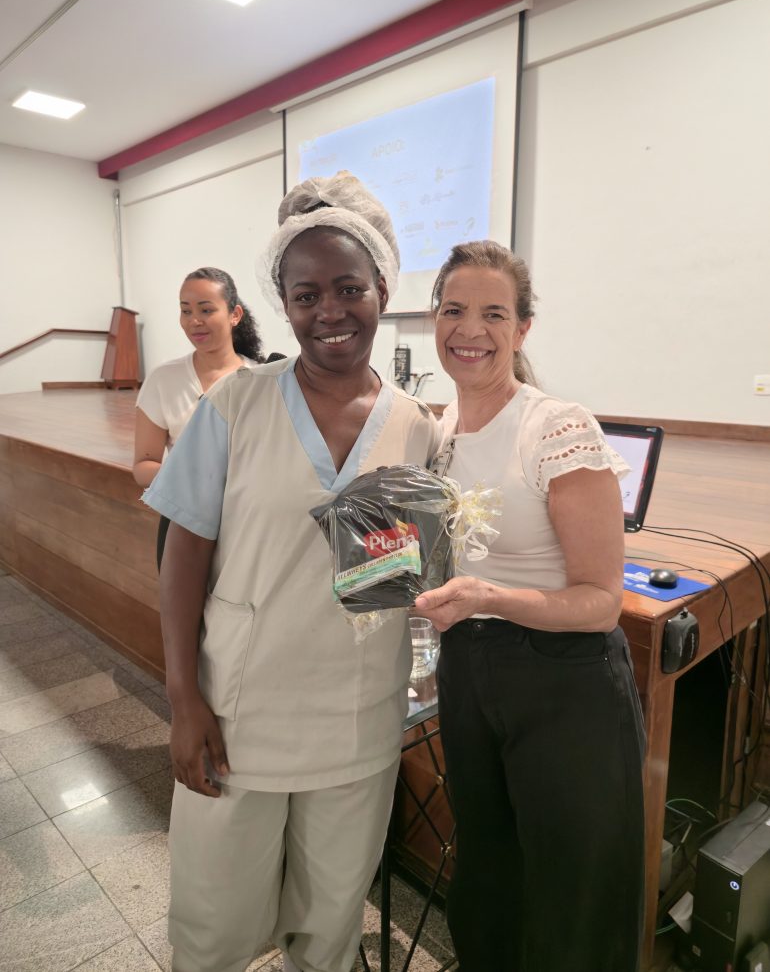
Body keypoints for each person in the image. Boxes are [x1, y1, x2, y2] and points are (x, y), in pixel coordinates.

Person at [142, 172, 440, 972]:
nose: (329, 311)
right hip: (240, 714)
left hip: (358, 717)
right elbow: (182, 554)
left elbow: (397, 572)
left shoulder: (415, 426)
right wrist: (183, 699)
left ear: (383, 291)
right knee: (213, 923)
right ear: (283, 304)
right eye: (306, 295)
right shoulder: (235, 406)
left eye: (349, 288)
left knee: (331, 924)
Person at [413, 241, 645, 972]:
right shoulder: (439, 430)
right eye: (454, 309)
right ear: (433, 318)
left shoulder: (556, 426)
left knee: (572, 894)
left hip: (563, 677)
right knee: (489, 872)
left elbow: (601, 602)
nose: (469, 329)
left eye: (493, 313)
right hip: (470, 668)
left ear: (522, 329)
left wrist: (487, 597)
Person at [132, 266, 264, 565]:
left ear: (234, 315)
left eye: (206, 310)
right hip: (186, 521)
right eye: (186, 311)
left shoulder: (261, 378)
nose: (194, 321)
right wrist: (197, 479)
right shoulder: (164, 379)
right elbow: (143, 466)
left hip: (250, 523)